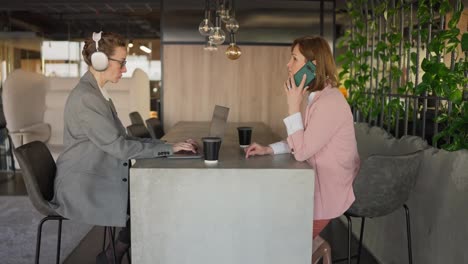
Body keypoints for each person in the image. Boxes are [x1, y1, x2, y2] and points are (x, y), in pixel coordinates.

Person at [49, 32, 196, 264]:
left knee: (152, 196)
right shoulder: (88, 98)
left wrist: (167, 145)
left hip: (95, 173)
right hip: (84, 184)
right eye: (122, 62)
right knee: (149, 198)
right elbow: (119, 147)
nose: (125, 69)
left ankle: (119, 253)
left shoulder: (98, 94)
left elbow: (124, 139)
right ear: (100, 61)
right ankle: (120, 254)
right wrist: (168, 149)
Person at [245, 35, 360, 239]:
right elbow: (301, 140)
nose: (288, 65)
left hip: (328, 193)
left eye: (294, 59)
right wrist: (269, 149)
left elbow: (301, 152)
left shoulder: (329, 103)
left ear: (312, 66)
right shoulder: (318, 98)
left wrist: (292, 107)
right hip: (314, 184)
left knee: (283, 240)